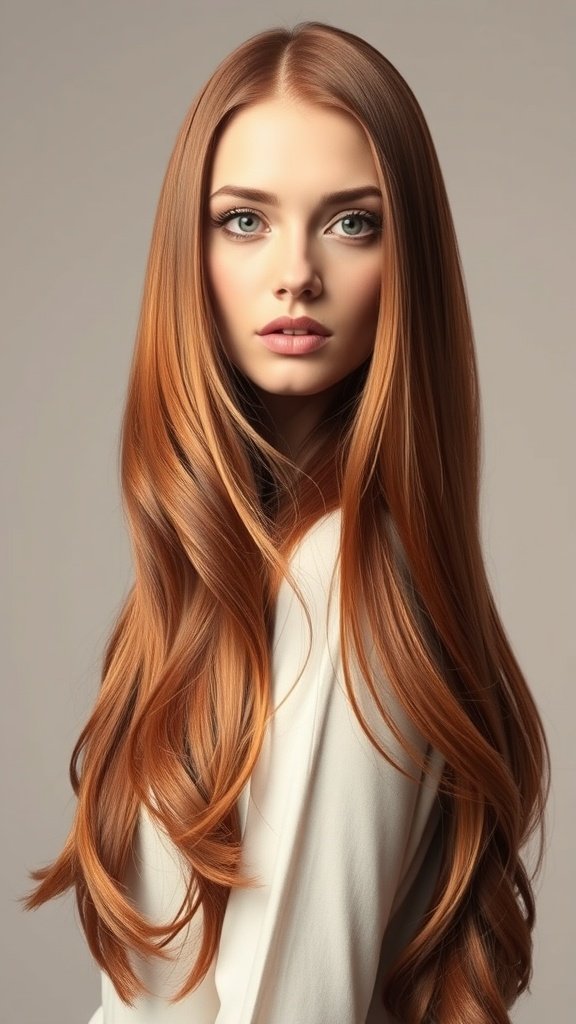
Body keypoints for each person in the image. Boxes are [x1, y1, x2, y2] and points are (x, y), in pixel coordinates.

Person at [23, 21, 550, 1024]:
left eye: (352, 222)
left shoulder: (340, 582)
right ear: (192, 248)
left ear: (410, 259)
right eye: (244, 220)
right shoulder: (213, 586)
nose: (296, 272)